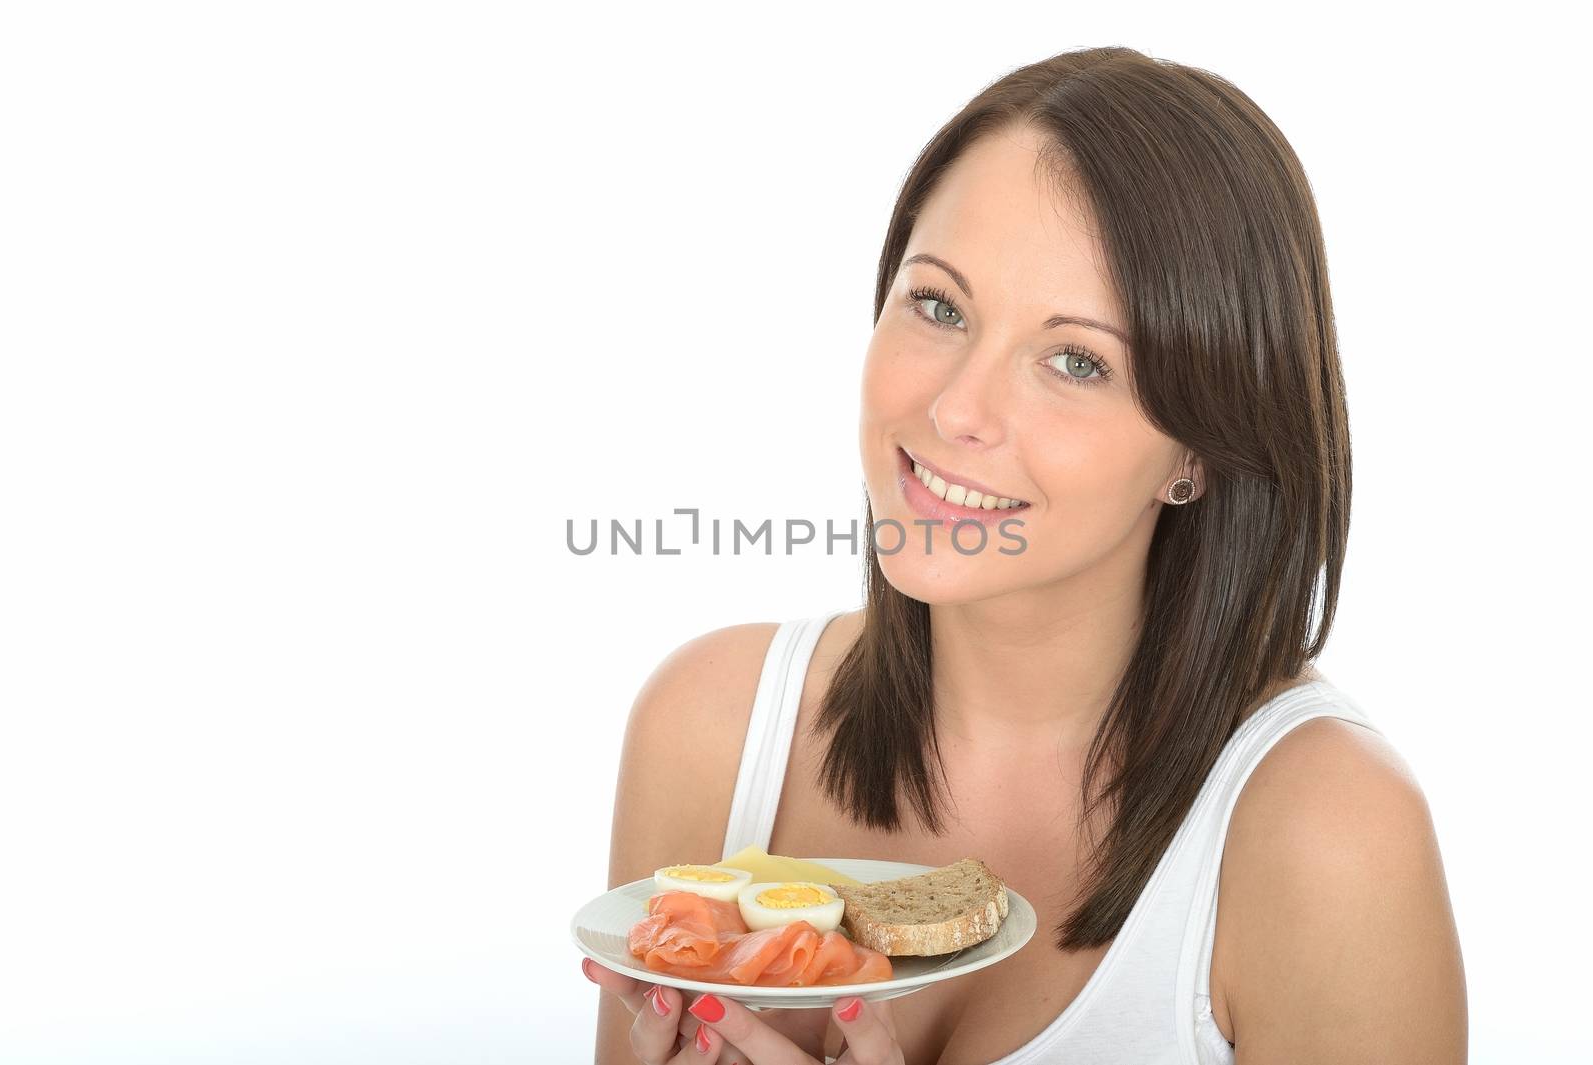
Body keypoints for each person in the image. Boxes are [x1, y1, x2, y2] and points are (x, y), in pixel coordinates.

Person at [583, 45, 1467, 1064]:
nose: (957, 408)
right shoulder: (709, 729)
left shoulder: (1328, 835)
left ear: (1197, 451)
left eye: (1076, 360)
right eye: (939, 305)